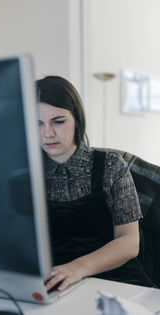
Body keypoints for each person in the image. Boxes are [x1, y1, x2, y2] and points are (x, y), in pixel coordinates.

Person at [36, 75, 155, 292]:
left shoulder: (110, 165)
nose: (48, 133)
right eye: (38, 123)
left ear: (77, 119)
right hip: (55, 284)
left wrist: (77, 268)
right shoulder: (26, 174)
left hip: (116, 278)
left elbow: (129, 242)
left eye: (58, 121)